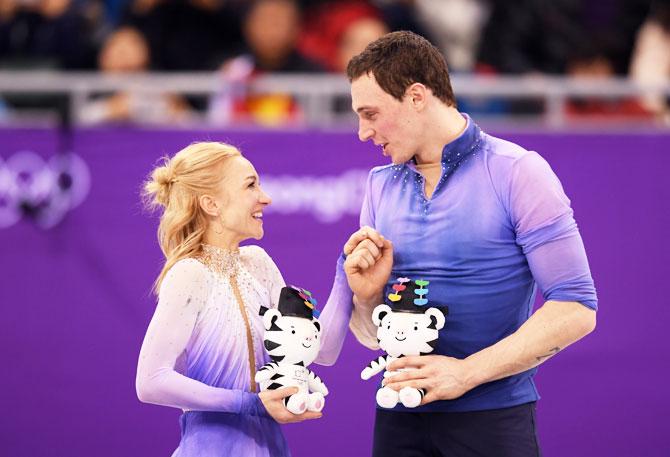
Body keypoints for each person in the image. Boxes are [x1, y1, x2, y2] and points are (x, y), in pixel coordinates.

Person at [335, 31, 598, 456]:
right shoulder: (379, 185)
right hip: (399, 420)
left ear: (417, 96)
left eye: (371, 114)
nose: (363, 132)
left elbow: (577, 308)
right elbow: (371, 337)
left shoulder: (518, 172)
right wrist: (366, 298)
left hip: (492, 420)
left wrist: (465, 374)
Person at [136, 142, 349, 456]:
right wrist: (252, 404)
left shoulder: (258, 263)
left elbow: (322, 351)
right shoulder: (189, 274)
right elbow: (151, 381)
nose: (265, 197)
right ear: (212, 204)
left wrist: (345, 275)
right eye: (251, 185)